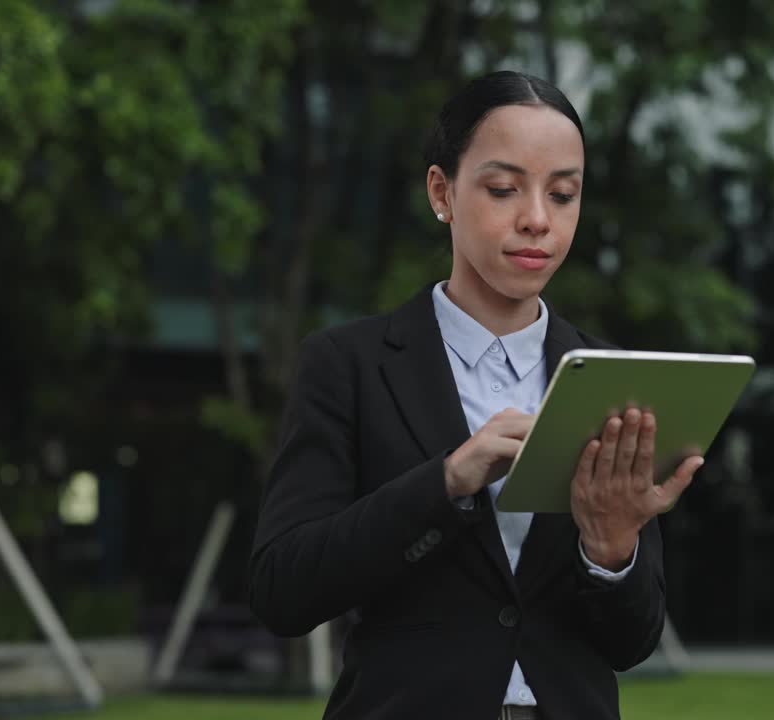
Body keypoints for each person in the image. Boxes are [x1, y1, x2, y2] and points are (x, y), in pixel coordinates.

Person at [248, 70, 704, 720]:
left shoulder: (612, 379)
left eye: (564, 194)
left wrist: (611, 547)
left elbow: (631, 642)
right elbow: (281, 591)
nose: (537, 220)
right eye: (502, 189)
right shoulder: (347, 364)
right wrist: (447, 481)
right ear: (443, 192)